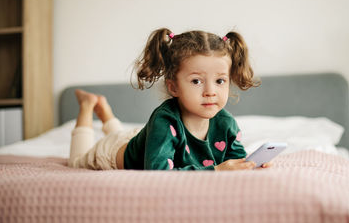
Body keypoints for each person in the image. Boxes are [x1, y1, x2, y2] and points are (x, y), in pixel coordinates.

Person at [68, 28, 270, 171]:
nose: (211, 91)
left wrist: (250, 165)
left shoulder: (225, 122)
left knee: (126, 136)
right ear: (173, 86)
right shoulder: (164, 121)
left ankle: (105, 111)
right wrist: (216, 172)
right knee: (76, 162)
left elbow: (234, 160)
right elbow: (159, 173)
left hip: (145, 141)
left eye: (220, 80)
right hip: (112, 154)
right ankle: (88, 106)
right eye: (197, 81)